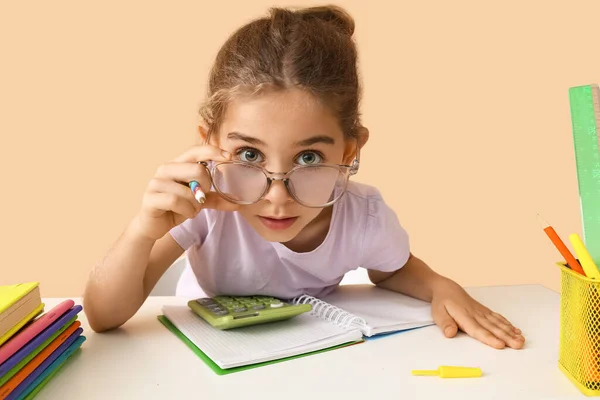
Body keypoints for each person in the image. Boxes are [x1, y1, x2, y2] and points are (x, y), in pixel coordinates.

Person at [82, 4, 525, 350]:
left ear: (350, 150)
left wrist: (440, 286)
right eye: (249, 154)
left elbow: (391, 271)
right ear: (210, 144)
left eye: (309, 158)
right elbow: (102, 316)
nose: (277, 197)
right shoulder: (207, 208)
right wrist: (141, 231)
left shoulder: (364, 216)